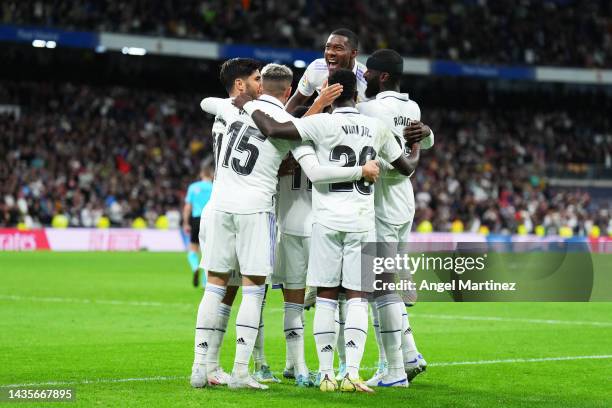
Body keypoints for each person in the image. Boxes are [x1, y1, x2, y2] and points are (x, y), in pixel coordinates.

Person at [233, 68, 420, 393]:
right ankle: (352, 373)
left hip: (326, 222)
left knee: (327, 299)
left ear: (329, 91)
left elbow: (275, 128)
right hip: (361, 222)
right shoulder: (375, 127)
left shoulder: (320, 123)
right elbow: (407, 168)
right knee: (359, 300)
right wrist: (415, 144)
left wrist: (247, 103)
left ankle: (326, 373)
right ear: (357, 94)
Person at [198, 63, 379, 390]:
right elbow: (312, 164)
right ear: (290, 88)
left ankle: (209, 366)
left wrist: (243, 101)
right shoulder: (302, 125)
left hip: (227, 207)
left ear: (260, 86)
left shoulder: (230, 108)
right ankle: (303, 368)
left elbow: (205, 103)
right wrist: (360, 170)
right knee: (327, 298)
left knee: (221, 290)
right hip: (289, 215)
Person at [357, 49, 434, 387]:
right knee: (385, 284)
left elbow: (348, 118)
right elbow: (426, 139)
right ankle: (409, 354)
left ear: (382, 76)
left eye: (368, 73)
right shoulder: (412, 107)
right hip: (405, 198)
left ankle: (393, 370)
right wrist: (426, 133)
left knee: (380, 287)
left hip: (383, 198)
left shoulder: (370, 109)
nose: (365, 78)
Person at [191, 58, 263, 389]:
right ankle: (238, 371)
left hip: (217, 208)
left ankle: (202, 366)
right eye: (256, 79)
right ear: (239, 84)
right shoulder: (261, 118)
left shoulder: (224, 112)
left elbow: (206, 101)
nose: (260, 84)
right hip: (248, 209)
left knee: (216, 288)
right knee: (248, 289)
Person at [285, 28, 367, 113]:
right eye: (328, 47)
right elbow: (298, 99)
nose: (330, 52)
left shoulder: (366, 79)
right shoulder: (316, 68)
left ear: (353, 53)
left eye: (338, 48)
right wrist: (282, 122)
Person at [183, 163, 214, 287]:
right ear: (211, 175)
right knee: (208, 251)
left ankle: (195, 267)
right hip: (211, 219)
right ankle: (206, 282)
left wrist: (186, 222)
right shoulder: (215, 187)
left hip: (196, 219)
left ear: (201, 174)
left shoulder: (193, 187)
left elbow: (187, 206)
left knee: (193, 248)